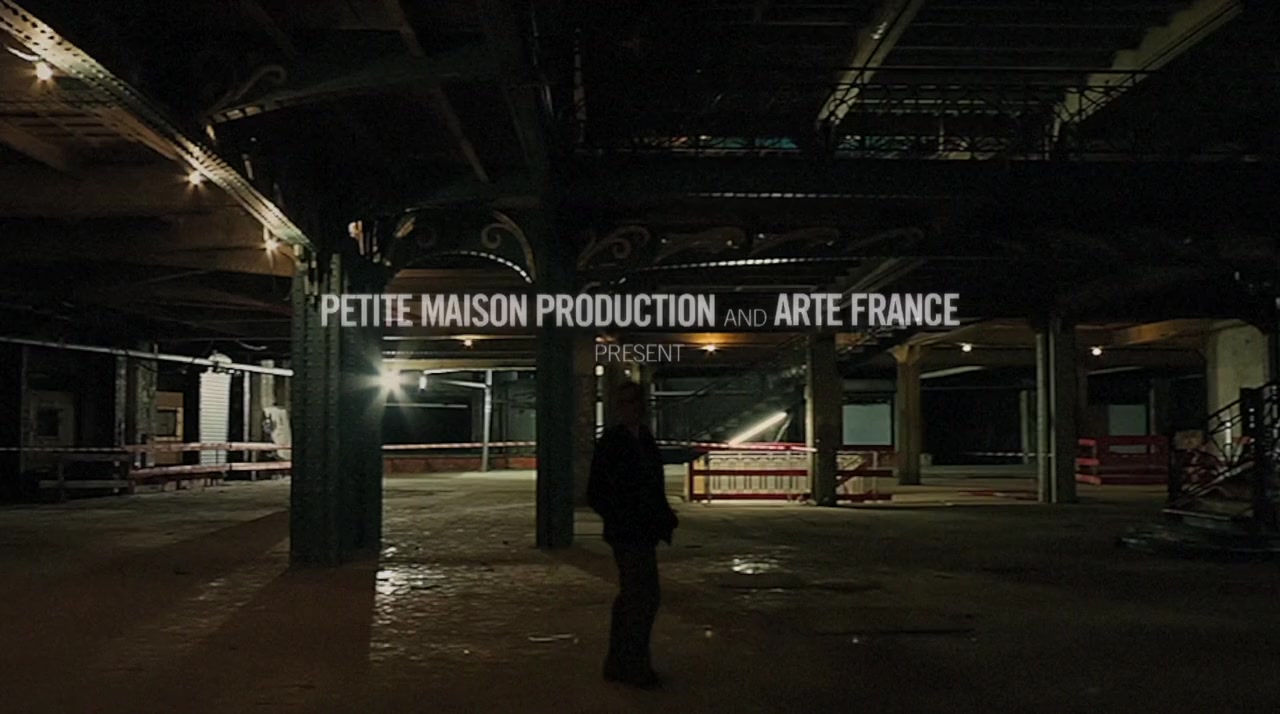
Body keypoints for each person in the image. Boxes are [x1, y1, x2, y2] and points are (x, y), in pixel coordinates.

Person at [587, 380, 678, 689]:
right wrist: (623, 517)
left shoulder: (643, 439)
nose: (632, 408)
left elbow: (652, 485)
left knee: (635, 597)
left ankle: (620, 662)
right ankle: (633, 665)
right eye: (626, 403)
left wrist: (662, 516)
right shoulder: (614, 442)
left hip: (641, 531)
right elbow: (597, 492)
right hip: (628, 532)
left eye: (635, 402)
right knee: (641, 599)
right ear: (618, 407)